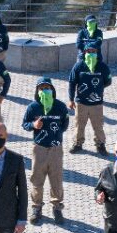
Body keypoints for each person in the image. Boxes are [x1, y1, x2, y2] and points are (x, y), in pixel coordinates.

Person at [21, 77, 70, 224]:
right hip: (39, 149)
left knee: (56, 179)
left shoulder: (60, 106)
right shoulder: (33, 107)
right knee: (37, 179)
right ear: (37, 91)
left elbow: (65, 124)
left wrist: (56, 135)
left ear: (52, 90)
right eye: (41, 88)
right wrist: (33, 125)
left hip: (56, 149)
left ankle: (57, 208)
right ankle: (36, 208)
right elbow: (24, 124)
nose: (44, 91)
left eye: (47, 88)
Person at [68, 42, 112, 156]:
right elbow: (72, 82)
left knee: (98, 126)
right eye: (88, 51)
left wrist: (97, 89)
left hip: (97, 104)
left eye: (93, 51)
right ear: (84, 53)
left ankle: (100, 145)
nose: (91, 53)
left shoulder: (102, 67)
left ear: (97, 53)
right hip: (81, 103)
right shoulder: (79, 66)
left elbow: (108, 81)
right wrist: (71, 99)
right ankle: (77, 144)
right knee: (79, 125)